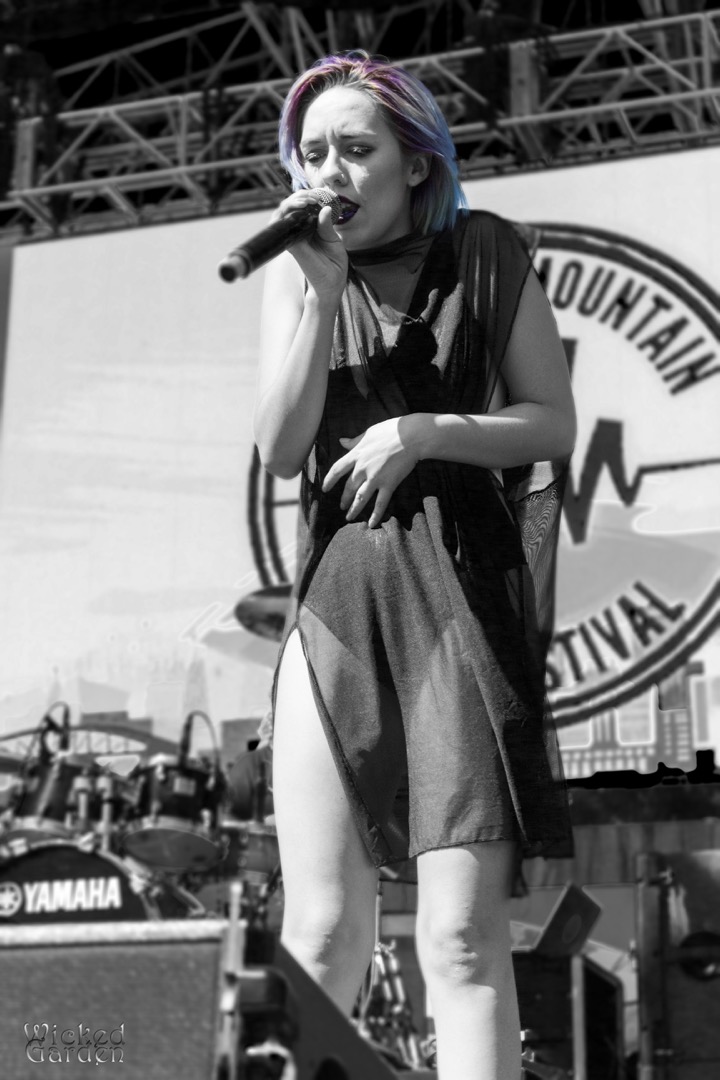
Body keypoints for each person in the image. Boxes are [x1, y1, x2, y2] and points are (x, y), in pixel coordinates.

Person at [253, 50, 575, 1080]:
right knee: (320, 929)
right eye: (312, 153)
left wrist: (426, 431)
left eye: (355, 148)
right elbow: (281, 449)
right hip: (340, 598)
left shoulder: (486, 251)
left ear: (417, 163)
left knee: (461, 941)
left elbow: (552, 422)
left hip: (458, 589)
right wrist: (319, 298)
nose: (330, 172)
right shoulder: (298, 272)